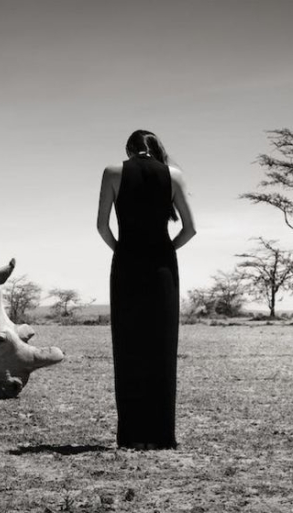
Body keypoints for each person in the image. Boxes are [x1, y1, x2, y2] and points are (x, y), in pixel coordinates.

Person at [96, 129, 196, 450]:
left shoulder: (112, 172)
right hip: (162, 269)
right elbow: (190, 229)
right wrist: (165, 250)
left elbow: (101, 226)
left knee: (128, 349)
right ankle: (162, 435)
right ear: (155, 149)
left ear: (130, 149)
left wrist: (122, 250)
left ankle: (131, 436)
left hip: (126, 266)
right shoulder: (174, 175)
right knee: (161, 350)